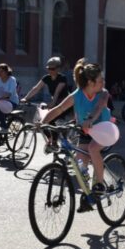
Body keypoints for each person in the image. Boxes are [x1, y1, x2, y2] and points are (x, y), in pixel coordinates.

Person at [40, 59, 111, 213]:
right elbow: (59, 109)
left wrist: (90, 119)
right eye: (100, 80)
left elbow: (99, 107)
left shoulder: (103, 93)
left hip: (103, 130)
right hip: (85, 131)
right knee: (80, 164)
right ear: (91, 83)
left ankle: (99, 184)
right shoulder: (77, 95)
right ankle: (88, 196)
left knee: (93, 149)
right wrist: (43, 121)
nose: (103, 82)